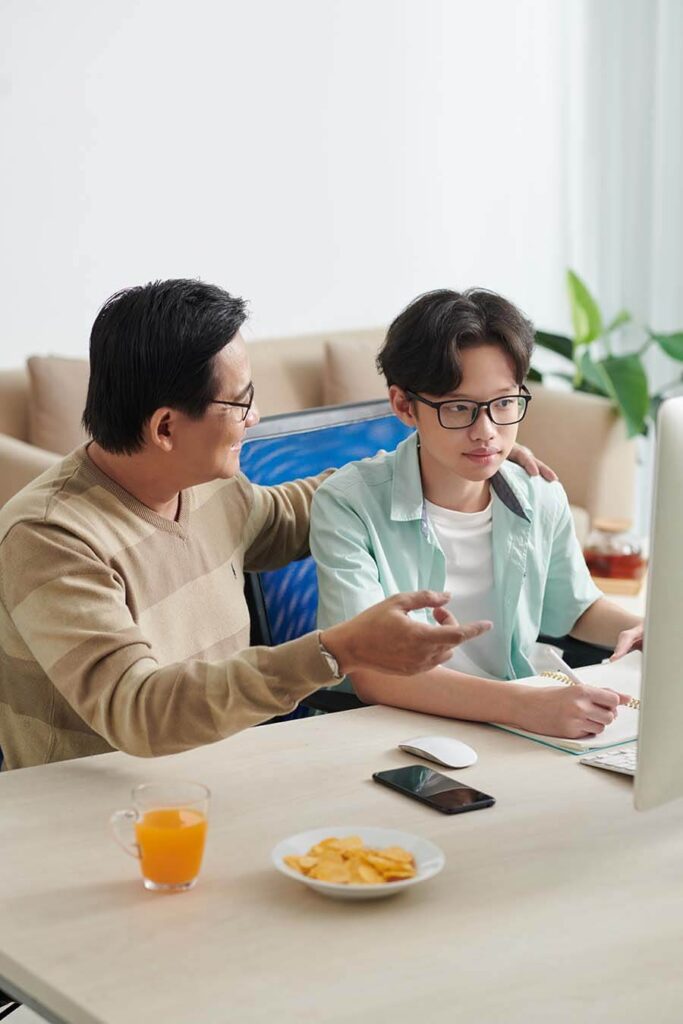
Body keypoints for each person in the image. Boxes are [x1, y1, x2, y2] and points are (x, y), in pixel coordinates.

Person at [0, 278, 559, 771]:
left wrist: (461, 447)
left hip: (233, 773)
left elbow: (312, 506)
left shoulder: (208, 485)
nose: (256, 418)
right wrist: (334, 651)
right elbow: (141, 712)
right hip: (91, 816)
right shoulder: (51, 538)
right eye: (241, 403)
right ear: (166, 428)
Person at [311, 288, 644, 740]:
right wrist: (524, 707)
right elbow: (373, 671)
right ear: (404, 406)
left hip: (517, 725)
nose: (486, 432)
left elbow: (574, 609)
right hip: (391, 732)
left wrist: (648, 627)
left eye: (504, 403)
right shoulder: (348, 503)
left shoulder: (538, 495)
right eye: (459, 408)